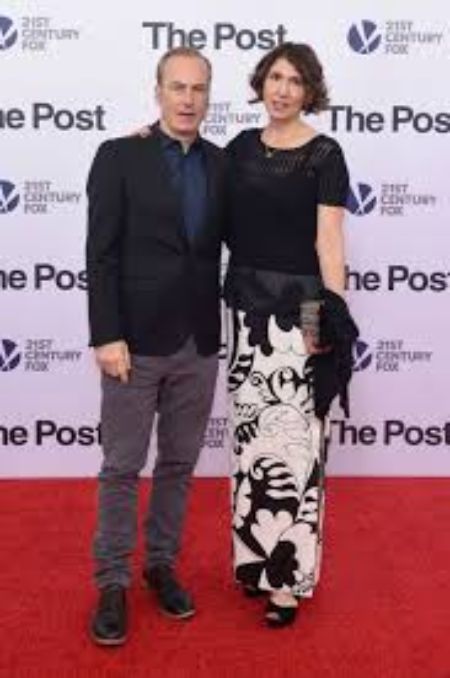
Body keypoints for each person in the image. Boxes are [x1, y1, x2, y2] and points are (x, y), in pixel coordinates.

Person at [86, 46, 226, 645]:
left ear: (209, 96)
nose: (188, 99)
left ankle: (161, 565)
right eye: (178, 87)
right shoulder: (119, 156)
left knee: (178, 464)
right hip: (134, 342)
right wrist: (106, 334)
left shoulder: (223, 164)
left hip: (199, 339)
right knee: (122, 466)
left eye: (198, 89)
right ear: (158, 91)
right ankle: (112, 582)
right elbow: (100, 253)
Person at [224, 42, 358, 627]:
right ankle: (255, 564)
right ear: (261, 82)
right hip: (244, 315)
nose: (282, 89)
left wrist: (326, 317)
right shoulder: (239, 149)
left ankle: (288, 580)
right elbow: (192, 181)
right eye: (275, 77)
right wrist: (148, 139)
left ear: (310, 92)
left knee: (298, 447)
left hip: (300, 312)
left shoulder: (325, 154)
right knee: (251, 446)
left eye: (295, 81)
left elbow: (329, 243)